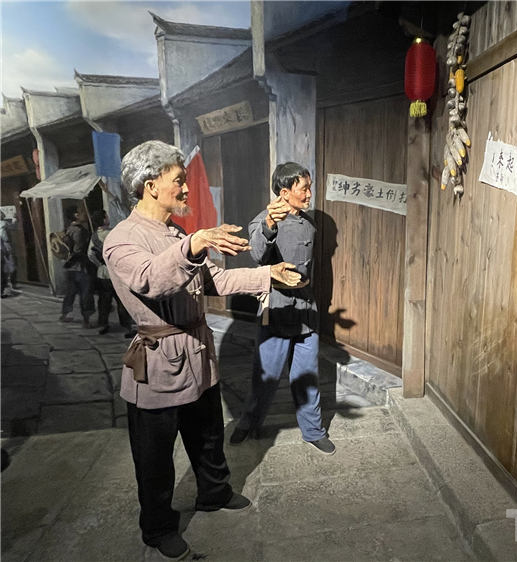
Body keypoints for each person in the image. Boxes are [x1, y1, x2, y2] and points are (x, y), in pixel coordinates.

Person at [103, 140, 301, 560]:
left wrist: (268, 274)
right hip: (157, 361)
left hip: (197, 352)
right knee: (154, 457)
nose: (186, 188)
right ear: (151, 185)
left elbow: (216, 281)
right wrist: (192, 244)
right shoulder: (121, 239)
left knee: (208, 435)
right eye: (179, 180)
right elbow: (150, 280)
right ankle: (158, 527)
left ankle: (214, 492)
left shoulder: (175, 233)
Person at [230, 162, 335, 456]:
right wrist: (269, 225)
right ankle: (249, 422)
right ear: (285, 192)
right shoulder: (263, 220)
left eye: (310, 187)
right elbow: (257, 254)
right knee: (265, 375)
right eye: (304, 188)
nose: (309, 194)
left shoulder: (309, 224)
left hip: (306, 308)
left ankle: (313, 431)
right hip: (276, 307)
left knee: (307, 375)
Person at [87, 209, 135, 336]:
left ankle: (103, 324)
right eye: (106, 216)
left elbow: (90, 254)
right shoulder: (114, 233)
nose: (108, 218)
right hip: (116, 272)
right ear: (103, 220)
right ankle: (127, 326)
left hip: (102, 273)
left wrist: (100, 265)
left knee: (104, 300)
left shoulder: (94, 236)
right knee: (122, 300)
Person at [59, 206, 95, 327]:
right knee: (85, 293)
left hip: (69, 267)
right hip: (80, 266)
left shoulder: (67, 229)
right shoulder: (80, 231)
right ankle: (86, 319)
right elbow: (78, 249)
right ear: (76, 215)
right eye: (81, 212)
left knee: (70, 292)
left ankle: (65, 314)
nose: (85, 214)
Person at [0, 210, 16, 298]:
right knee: (8, 265)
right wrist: (14, 219)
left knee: (5, 266)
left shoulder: (4, 223)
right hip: (4, 245)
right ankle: (9, 284)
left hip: (3, 245)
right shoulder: (3, 223)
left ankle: (7, 285)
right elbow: (13, 226)